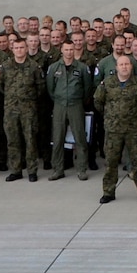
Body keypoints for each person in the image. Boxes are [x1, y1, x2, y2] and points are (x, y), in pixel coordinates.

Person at [97, 54, 137, 204]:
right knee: (111, 162)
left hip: (133, 130)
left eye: (127, 64)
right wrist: (111, 116)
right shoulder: (107, 83)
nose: (124, 67)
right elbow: (98, 102)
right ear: (116, 67)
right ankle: (108, 192)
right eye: (121, 65)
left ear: (131, 66)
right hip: (113, 130)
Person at [45, 41, 93, 181]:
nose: (69, 52)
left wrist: (78, 100)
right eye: (66, 49)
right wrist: (59, 99)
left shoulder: (82, 68)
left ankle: (82, 169)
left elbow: (87, 88)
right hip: (59, 105)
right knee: (58, 138)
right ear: (61, 50)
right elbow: (50, 88)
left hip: (76, 105)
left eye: (71, 49)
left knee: (80, 137)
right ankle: (58, 169)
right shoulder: (54, 68)